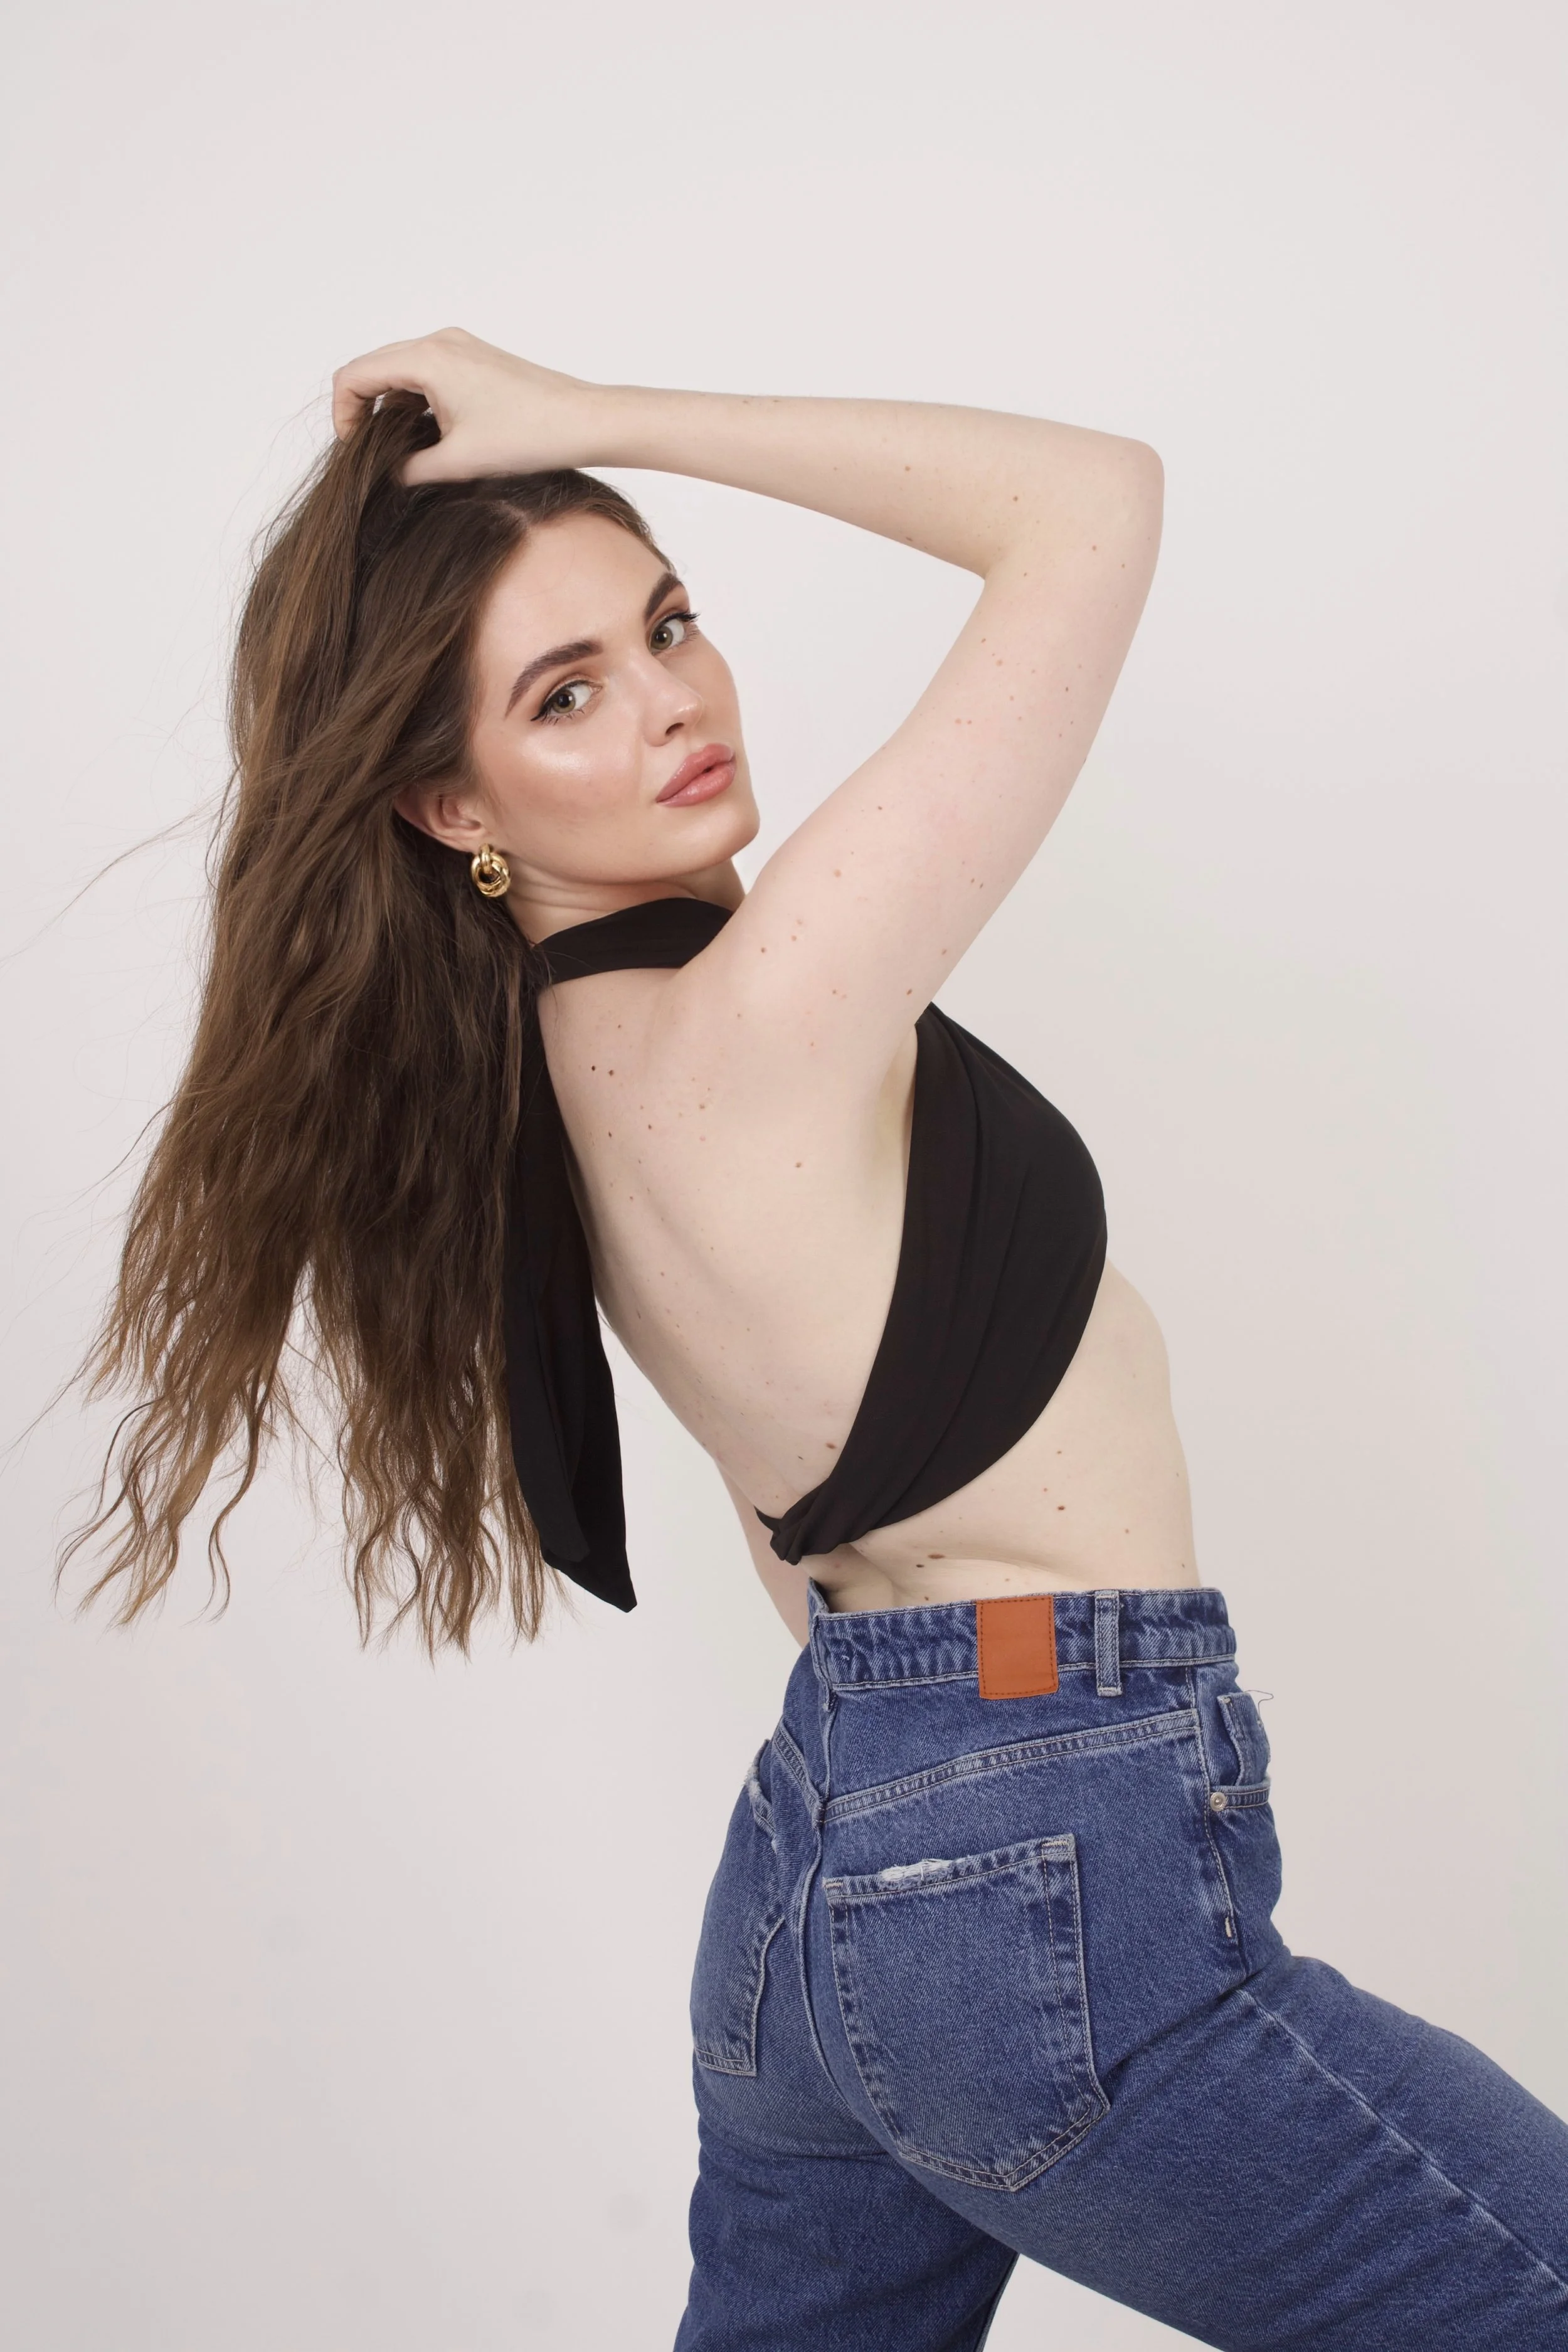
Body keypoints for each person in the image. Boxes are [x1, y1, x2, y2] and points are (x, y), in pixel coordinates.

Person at [73, 329, 1567, 2348]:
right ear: (449, 802)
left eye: (666, 621)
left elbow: (799, 1511)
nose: (675, 702)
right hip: (1049, 1862)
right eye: (566, 693)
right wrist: (608, 418)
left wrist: (933, 1794)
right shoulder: (762, 1006)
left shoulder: (562, 1072)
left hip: (829, 1880)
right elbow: (1087, 503)